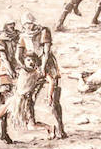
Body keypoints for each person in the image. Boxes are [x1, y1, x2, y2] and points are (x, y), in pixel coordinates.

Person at [17, 10, 67, 139]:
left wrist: (43, 67)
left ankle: (60, 128)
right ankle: (34, 123)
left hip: (47, 65)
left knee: (54, 98)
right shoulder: (23, 36)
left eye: (30, 23)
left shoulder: (44, 31)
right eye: (26, 24)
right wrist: (24, 66)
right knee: (29, 96)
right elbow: (18, 54)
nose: (28, 26)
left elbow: (46, 51)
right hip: (33, 65)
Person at [0, 53, 42, 149]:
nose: (31, 62)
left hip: (25, 102)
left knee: (32, 125)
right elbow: (2, 73)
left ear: (36, 62)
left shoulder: (37, 74)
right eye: (28, 60)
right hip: (14, 99)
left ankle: (49, 128)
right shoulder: (20, 71)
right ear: (24, 61)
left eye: (33, 60)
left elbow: (48, 79)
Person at [0, 13, 20, 143]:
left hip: (18, 70)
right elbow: (4, 58)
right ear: (4, 26)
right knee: (5, 104)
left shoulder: (18, 35)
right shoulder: (1, 40)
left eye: (13, 24)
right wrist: (10, 70)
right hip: (6, 73)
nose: (12, 26)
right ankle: (3, 132)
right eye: (9, 24)